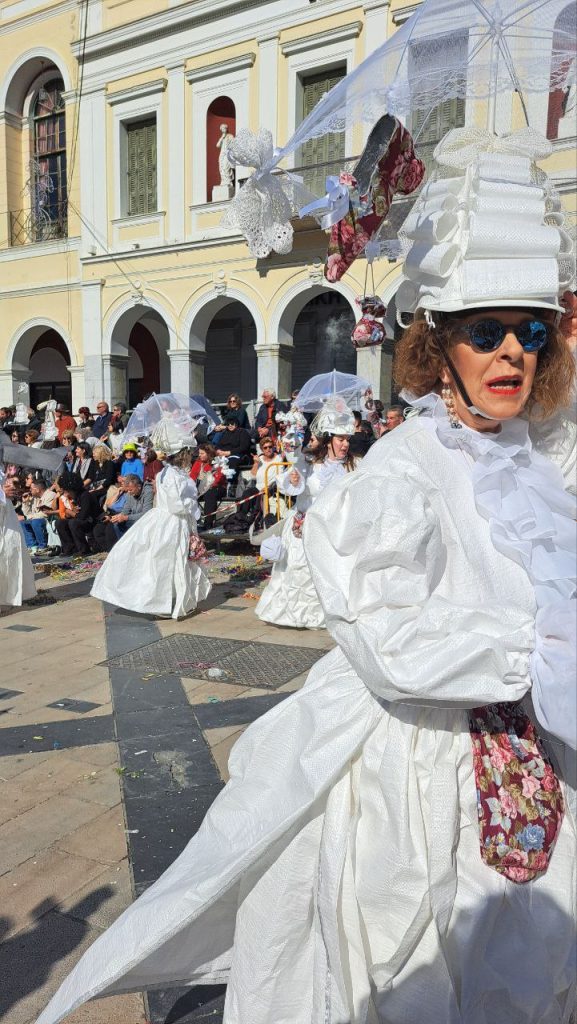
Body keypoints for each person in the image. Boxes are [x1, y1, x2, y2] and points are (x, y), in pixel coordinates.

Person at [34, 138, 577, 1024]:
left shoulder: (530, 450)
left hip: (528, 760)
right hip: (418, 766)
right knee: (413, 956)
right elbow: (388, 639)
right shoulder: (400, 468)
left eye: (530, 330)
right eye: (485, 331)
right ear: (437, 346)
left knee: (526, 964)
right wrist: (538, 647)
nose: (511, 352)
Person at [255, 399, 358, 629]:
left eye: (347, 440)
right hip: (304, 527)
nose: (345, 445)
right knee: (300, 572)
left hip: (332, 531)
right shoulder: (309, 462)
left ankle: (325, 614)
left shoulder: (351, 466)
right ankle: (294, 614)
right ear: (328, 440)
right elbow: (291, 485)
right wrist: (294, 479)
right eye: (341, 439)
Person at [91, 464, 211, 619]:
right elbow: (176, 505)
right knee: (165, 561)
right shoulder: (171, 475)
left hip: (167, 520)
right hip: (172, 521)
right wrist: (192, 501)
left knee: (170, 561)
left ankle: (171, 598)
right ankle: (160, 601)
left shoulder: (164, 473)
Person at [91, 473, 153, 552]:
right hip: (133, 517)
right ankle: (123, 549)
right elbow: (125, 510)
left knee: (117, 526)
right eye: (128, 490)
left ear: (139, 486)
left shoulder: (148, 491)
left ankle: (129, 549)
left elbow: (147, 514)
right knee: (115, 523)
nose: (129, 493)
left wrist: (126, 517)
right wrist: (116, 517)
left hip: (145, 520)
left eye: (131, 490)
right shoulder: (130, 493)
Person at [0, 469, 36, 605]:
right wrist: (2, 493)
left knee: (11, 550)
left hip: (6, 513)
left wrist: (8, 483)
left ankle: (6, 595)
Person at [189, 442, 226, 529]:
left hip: (216, 487)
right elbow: (192, 476)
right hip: (201, 488)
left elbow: (218, 479)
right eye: (199, 453)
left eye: (202, 453)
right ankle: (192, 522)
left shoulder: (218, 462)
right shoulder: (198, 462)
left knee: (210, 493)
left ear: (209, 453)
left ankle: (208, 524)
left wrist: (205, 486)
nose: (200, 455)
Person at [215, 416, 252, 492]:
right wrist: (218, 451)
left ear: (236, 424)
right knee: (215, 462)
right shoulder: (225, 433)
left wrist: (229, 452)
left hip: (238, 454)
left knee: (231, 462)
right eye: (228, 424)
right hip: (223, 455)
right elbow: (218, 445)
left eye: (232, 423)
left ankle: (231, 483)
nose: (230, 425)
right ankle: (217, 483)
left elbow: (244, 447)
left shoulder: (242, 432)